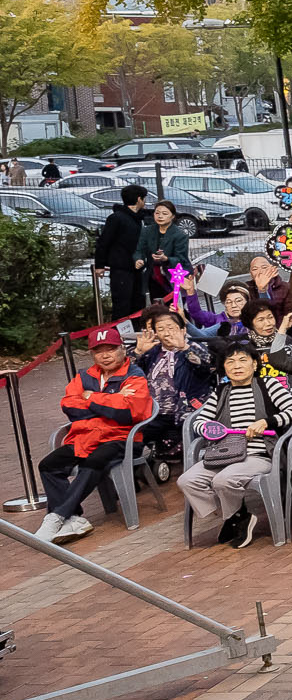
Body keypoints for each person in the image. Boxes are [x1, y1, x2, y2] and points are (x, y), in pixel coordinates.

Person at [178, 339, 292, 548]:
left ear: (254, 364)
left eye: (243, 360)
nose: (236, 366)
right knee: (187, 480)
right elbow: (199, 421)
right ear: (223, 367)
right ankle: (237, 516)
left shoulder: (268, 385)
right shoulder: (220, 392)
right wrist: (207, 429)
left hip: (258, 455)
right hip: (223, 454)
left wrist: (267, 421)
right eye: (230, 362)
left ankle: (234, 517)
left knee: (223, 481)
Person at [34, 328, 152, 543]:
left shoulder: (134, 375)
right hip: (85, 437)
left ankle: (57, 516)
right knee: (48, 465)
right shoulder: (83, 376)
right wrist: (109, 399)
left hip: (123, 438)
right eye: (98, 351)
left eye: (111, 349)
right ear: (92, 354)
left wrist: (90, 398)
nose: (105, 355)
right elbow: (69, 406)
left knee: (95, 460)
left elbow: (127, 413)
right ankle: (73, 518)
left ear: (123, 350)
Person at [94, 185, 147, 318]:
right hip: (121, 269)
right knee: (122, 305)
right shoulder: (116, 218)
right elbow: (104, 241)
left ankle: (137, 332)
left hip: (137, 268)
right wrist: (99, 265)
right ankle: (119, 334)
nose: (145, 202)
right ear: (139, 199)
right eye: (144, 198)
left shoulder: (139, 218)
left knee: (138, 304)